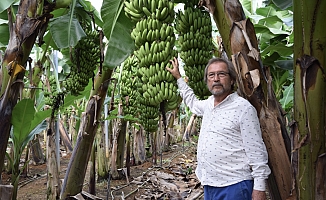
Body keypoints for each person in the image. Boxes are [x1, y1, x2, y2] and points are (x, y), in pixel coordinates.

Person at [166, 57, 271, 200]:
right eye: (211, 75)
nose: (216, 79)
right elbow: (192, 103)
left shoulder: (243, 108)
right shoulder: (208, 105)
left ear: (232, 80)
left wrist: (259, 188)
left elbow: (256, 151)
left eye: (221, 74)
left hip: (235, 185)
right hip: (210, 184)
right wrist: (178, 77)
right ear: (207, 81)